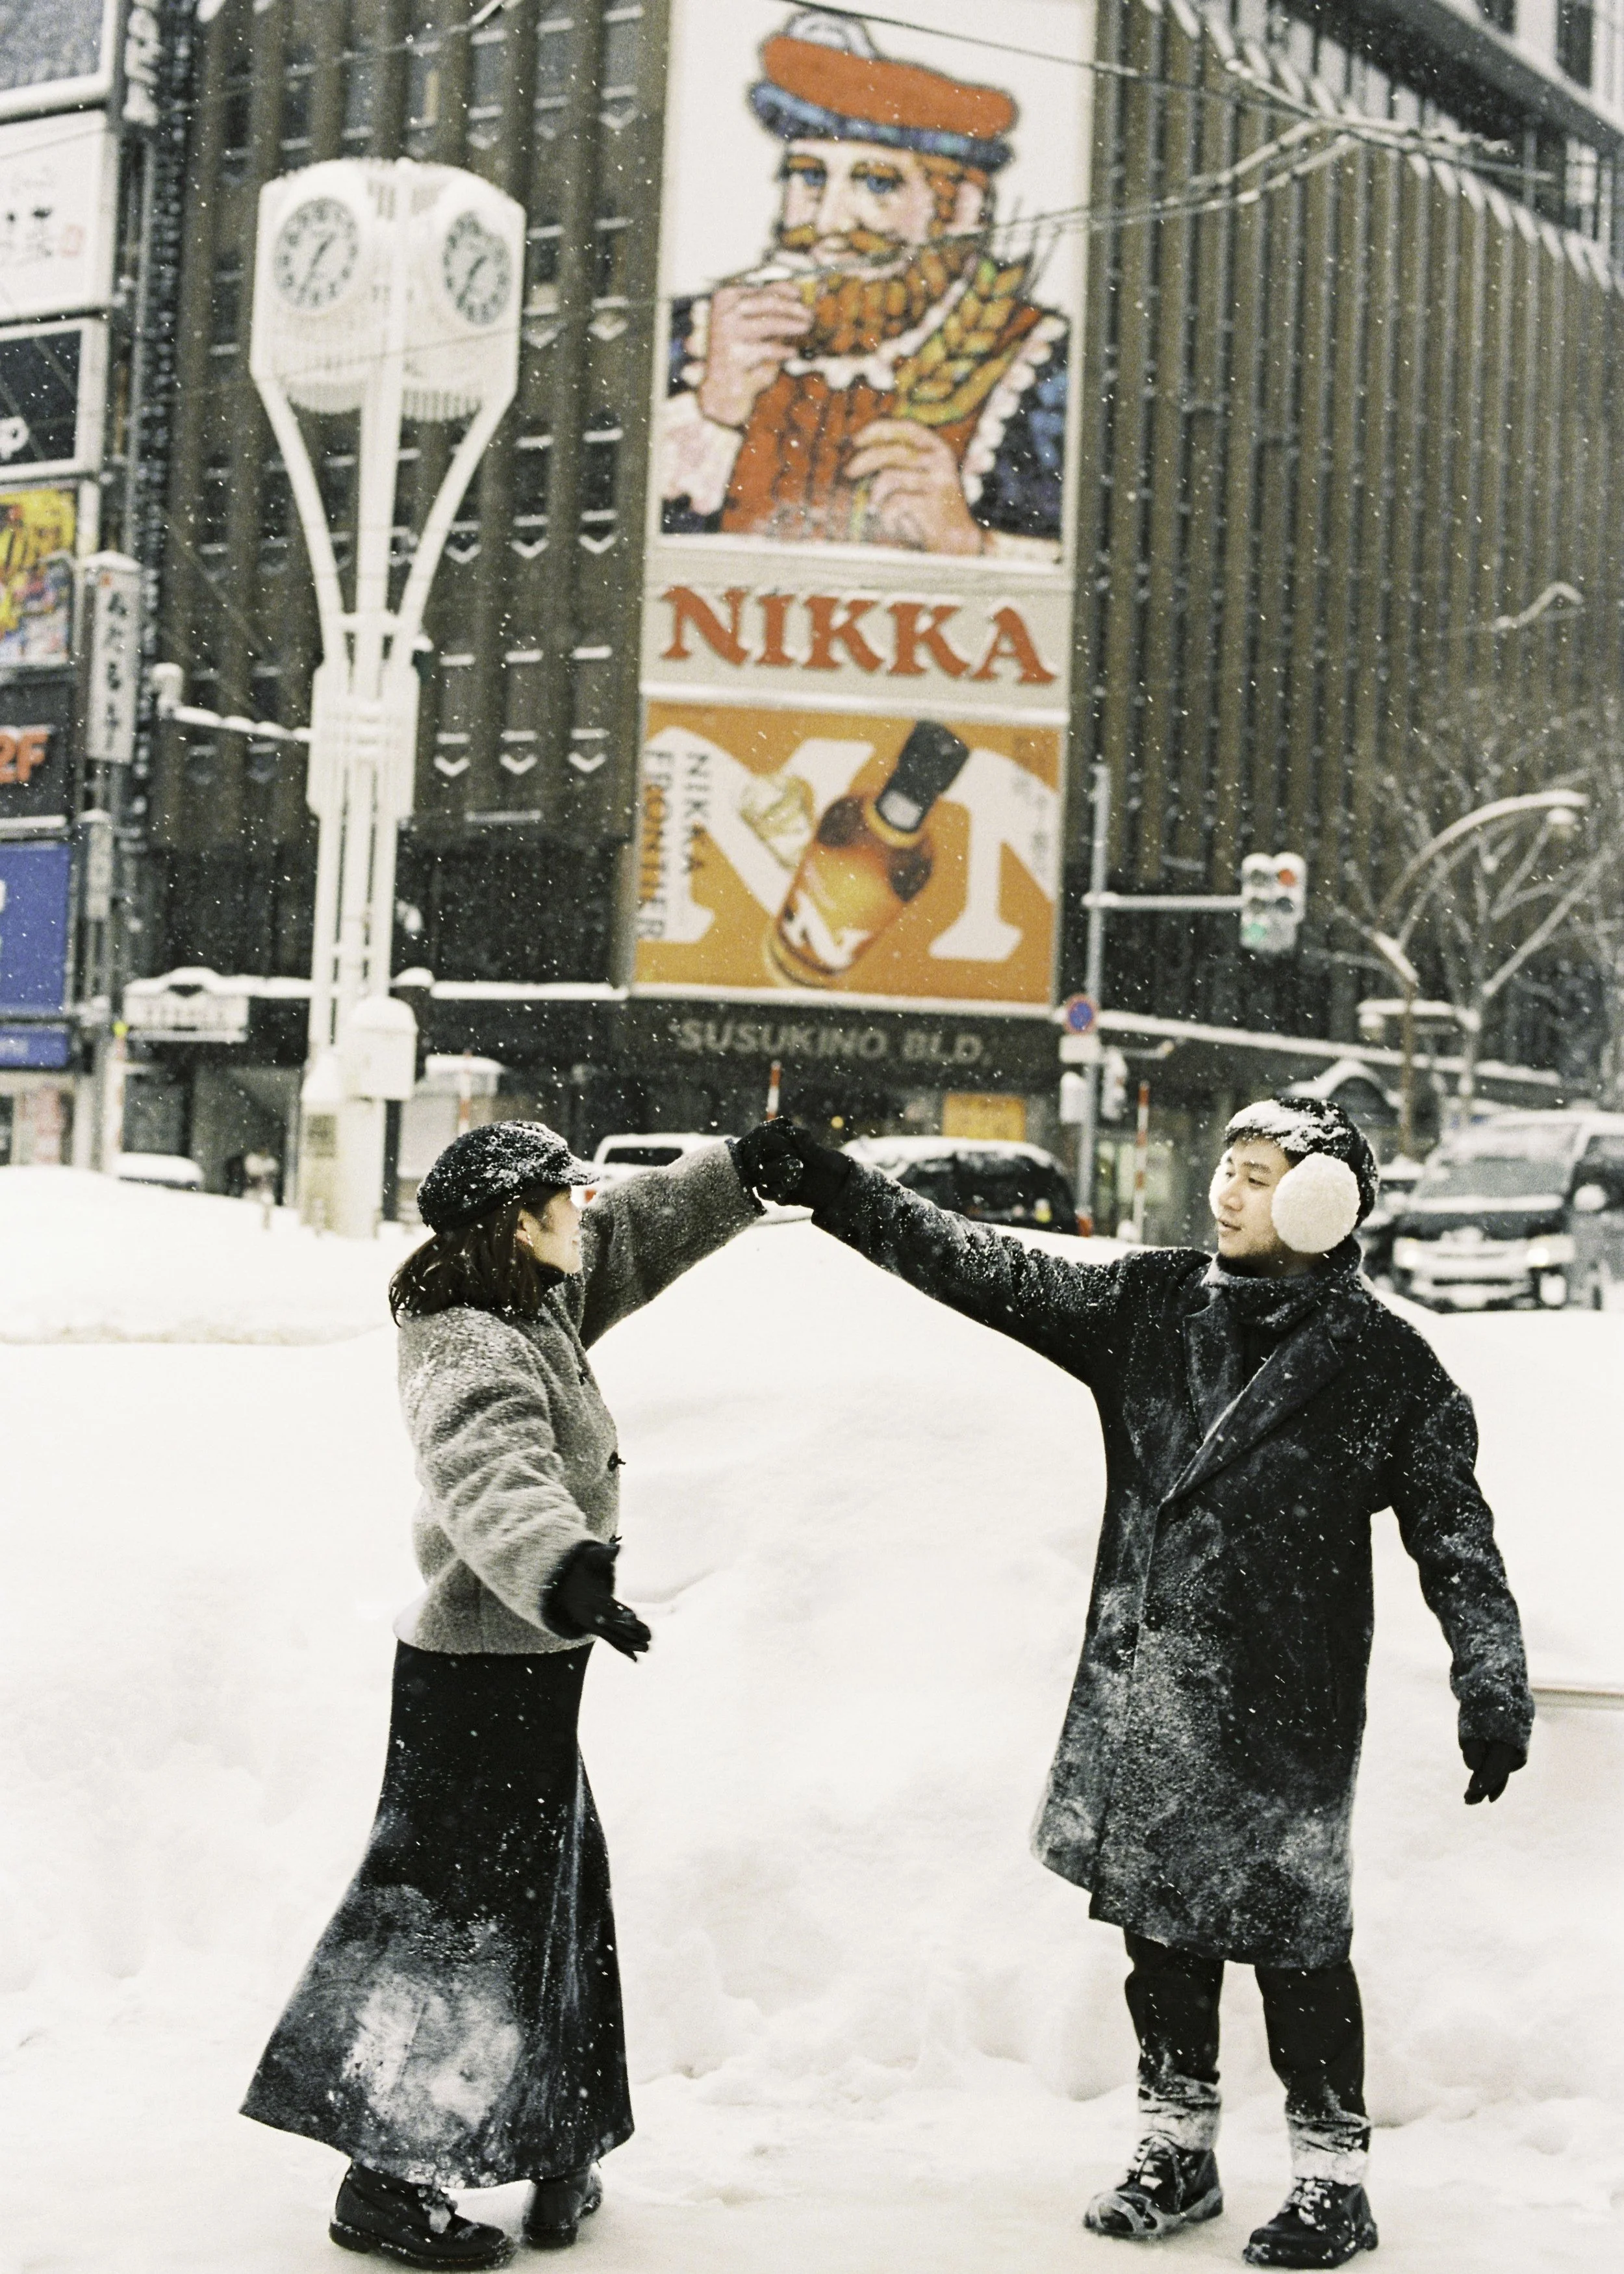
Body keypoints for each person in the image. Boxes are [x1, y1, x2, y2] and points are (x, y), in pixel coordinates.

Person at [733, 1098, 1533, 2270]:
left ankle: (1333, 2179)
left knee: (1298, 1951)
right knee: (1161, 1940)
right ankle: (1178, 2149)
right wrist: (837, 1186)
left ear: (1327, 1205)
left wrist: (1493, 1684)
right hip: (1149, 1688)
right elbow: (981, 1263)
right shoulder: (1152, 1306)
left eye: (1261, 1177)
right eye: (1229, 1166)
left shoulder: (1384, 1366)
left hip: (1284, 1713)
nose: (1228, 1191)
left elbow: (1458, 1541)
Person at [242, 1122, 761, 2269]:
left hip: (527, 1670)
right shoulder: (464, 1340)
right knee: (449, 1936)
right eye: (564, 1199)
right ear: (520, 1223)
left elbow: (634, 1231)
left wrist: (742, 1169)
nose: (587, 1210)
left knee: (552, 1909)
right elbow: (489, 1469)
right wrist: (563, 1569)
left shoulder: (535, 1300)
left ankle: (555, 2133)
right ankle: (384, 2184)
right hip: (475, 1677)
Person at [661, 10, 1069, 557]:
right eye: (809, 176)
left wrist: (966, 541)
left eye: (877, 183)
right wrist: (714, 414)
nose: (829, 222)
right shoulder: (691, 339)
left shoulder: (1039, 367)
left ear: (959, 212)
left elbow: (1100, 574)